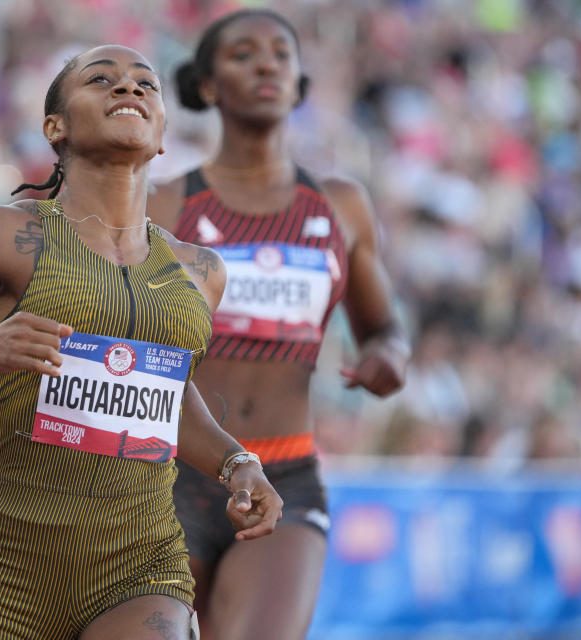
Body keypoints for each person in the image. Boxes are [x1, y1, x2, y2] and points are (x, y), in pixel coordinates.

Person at [0, 44, 284, 640]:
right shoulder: (0, 233)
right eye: (101, 80)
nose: (128, 89)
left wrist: (238, 463)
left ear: (161, 135)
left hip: (143, 565)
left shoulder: (199, 273)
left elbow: (167, 397)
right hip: (10, 578)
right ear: (55, 127)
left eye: (144, 85)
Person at [147, 10, 410, 640]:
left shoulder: (341, 205)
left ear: (298, 83)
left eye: (281, 55)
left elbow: (384, 329)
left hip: (286, 473)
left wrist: (387, 358)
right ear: (207, 85)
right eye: (243, 54)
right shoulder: (164, 203)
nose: (266, 64)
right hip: (168, 474)